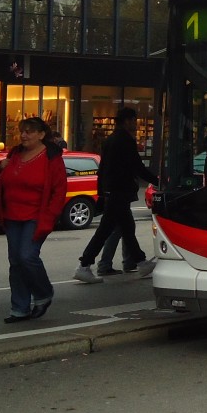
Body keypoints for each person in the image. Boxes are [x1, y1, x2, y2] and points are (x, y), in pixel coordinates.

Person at [0, 116, 66, 323]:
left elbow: (59, 190)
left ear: (42, 135)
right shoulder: (15, 153)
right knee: (15, 261)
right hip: (12, 215)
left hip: (36, 216)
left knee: (27, 256)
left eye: (30, 131)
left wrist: (50, 216)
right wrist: (1, 167)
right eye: (22, 130)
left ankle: (43, 293)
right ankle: (19, 308)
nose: (24, 135)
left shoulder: (51, 157)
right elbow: (4, 177)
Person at [74, 107, 158, 283]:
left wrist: (101, 192)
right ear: (127, 121)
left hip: (112, 191)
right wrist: (158, 181)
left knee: (126, 228)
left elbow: (103, 168)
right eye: (134, 120)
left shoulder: (110, 139)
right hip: (120, 191)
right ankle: (85, 265)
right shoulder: (126, 140)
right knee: (108, 230)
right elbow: (137, 166)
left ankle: (140, 262)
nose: (135, 124)